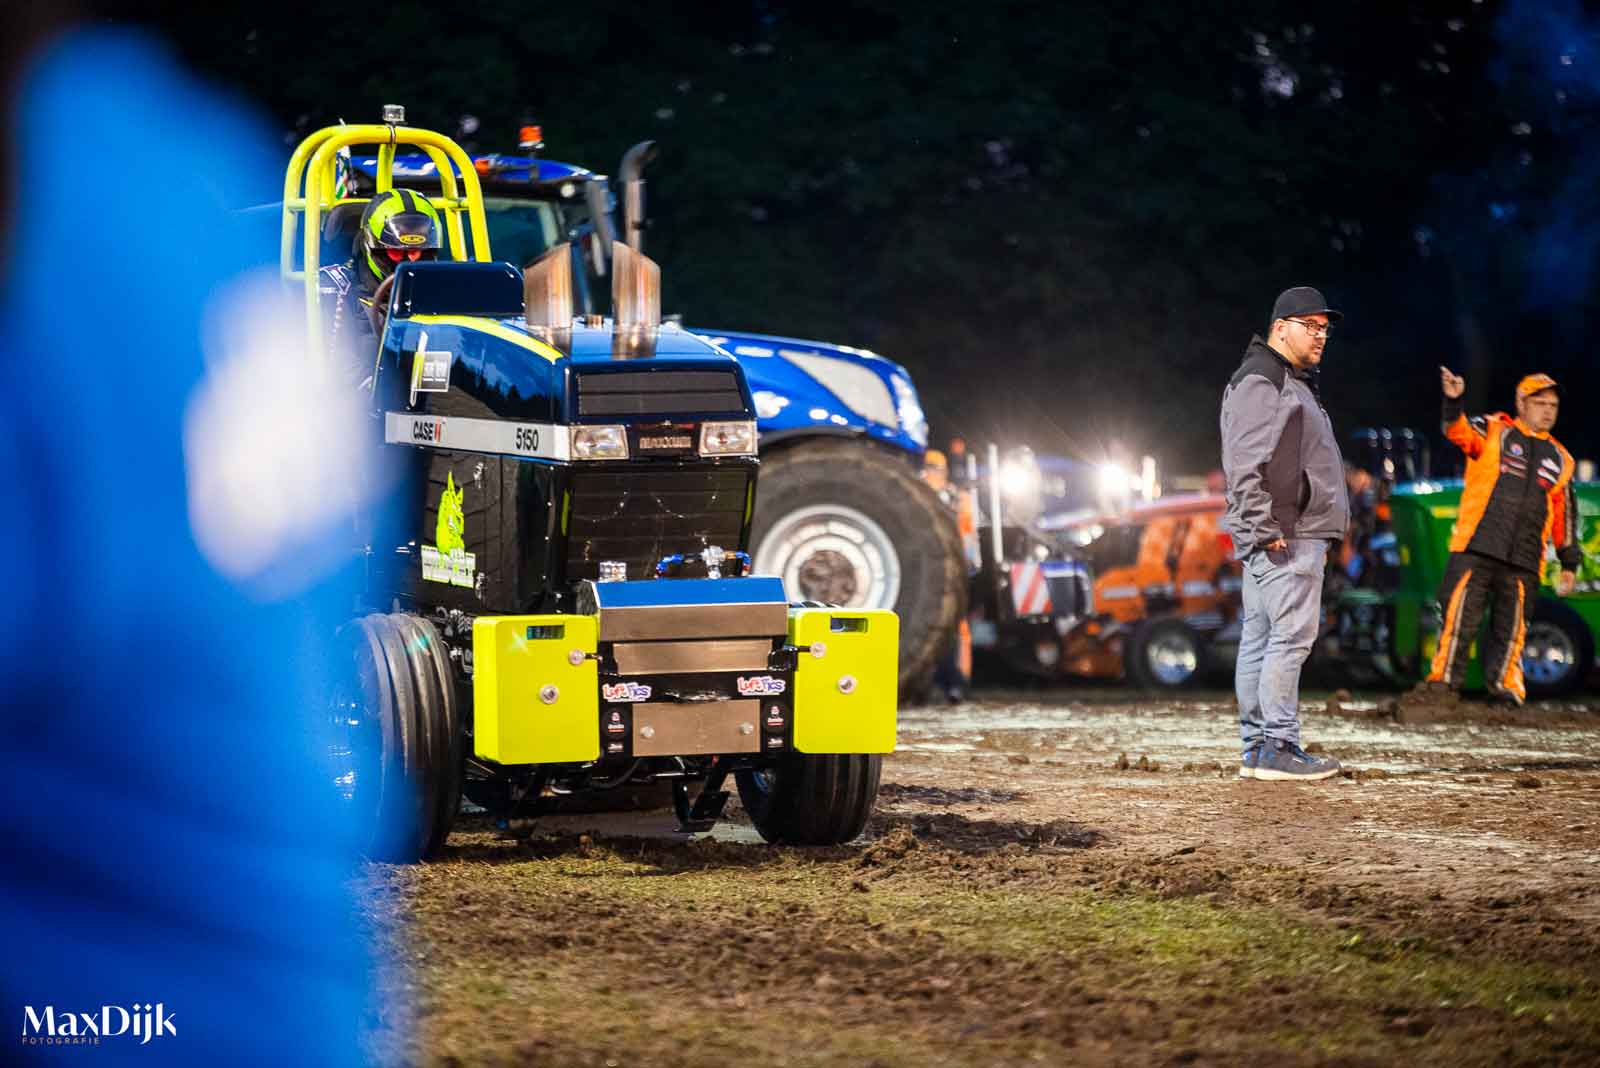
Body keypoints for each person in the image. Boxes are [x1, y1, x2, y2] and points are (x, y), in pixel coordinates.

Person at [1219, 287, 1350, 781]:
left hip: (1283, 530)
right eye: (1310, 326)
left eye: (1325, 329)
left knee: (1262, 637)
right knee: (1289, 639)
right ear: (1281, 328)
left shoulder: (1282, 378)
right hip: (1287, 534)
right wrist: (1261, 525)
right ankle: (1277, 744)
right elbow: (1244, 461)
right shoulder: (1265, 378)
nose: (1320, 336)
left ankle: (1258, 749)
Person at [1421, 369, 1580, 704]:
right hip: (1477, 545)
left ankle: (1506, 690)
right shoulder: (1494, 429)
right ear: (1521, 403)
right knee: (1458, 619)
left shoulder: (1562, 458)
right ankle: (1442, 685)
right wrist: (1453, 401)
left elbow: (1564, 514)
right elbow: (1456, 431)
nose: (1549, 410)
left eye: (1553, 404)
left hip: (1524, 558)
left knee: (1512, 630)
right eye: (1541, 403)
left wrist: (1569, 561)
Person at [318, 186, 442, 373]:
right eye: (396, 252)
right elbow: (339, 373)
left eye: (415, 252)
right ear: (370, 244)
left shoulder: (446, 290)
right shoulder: (337, 287)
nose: (408, 261)